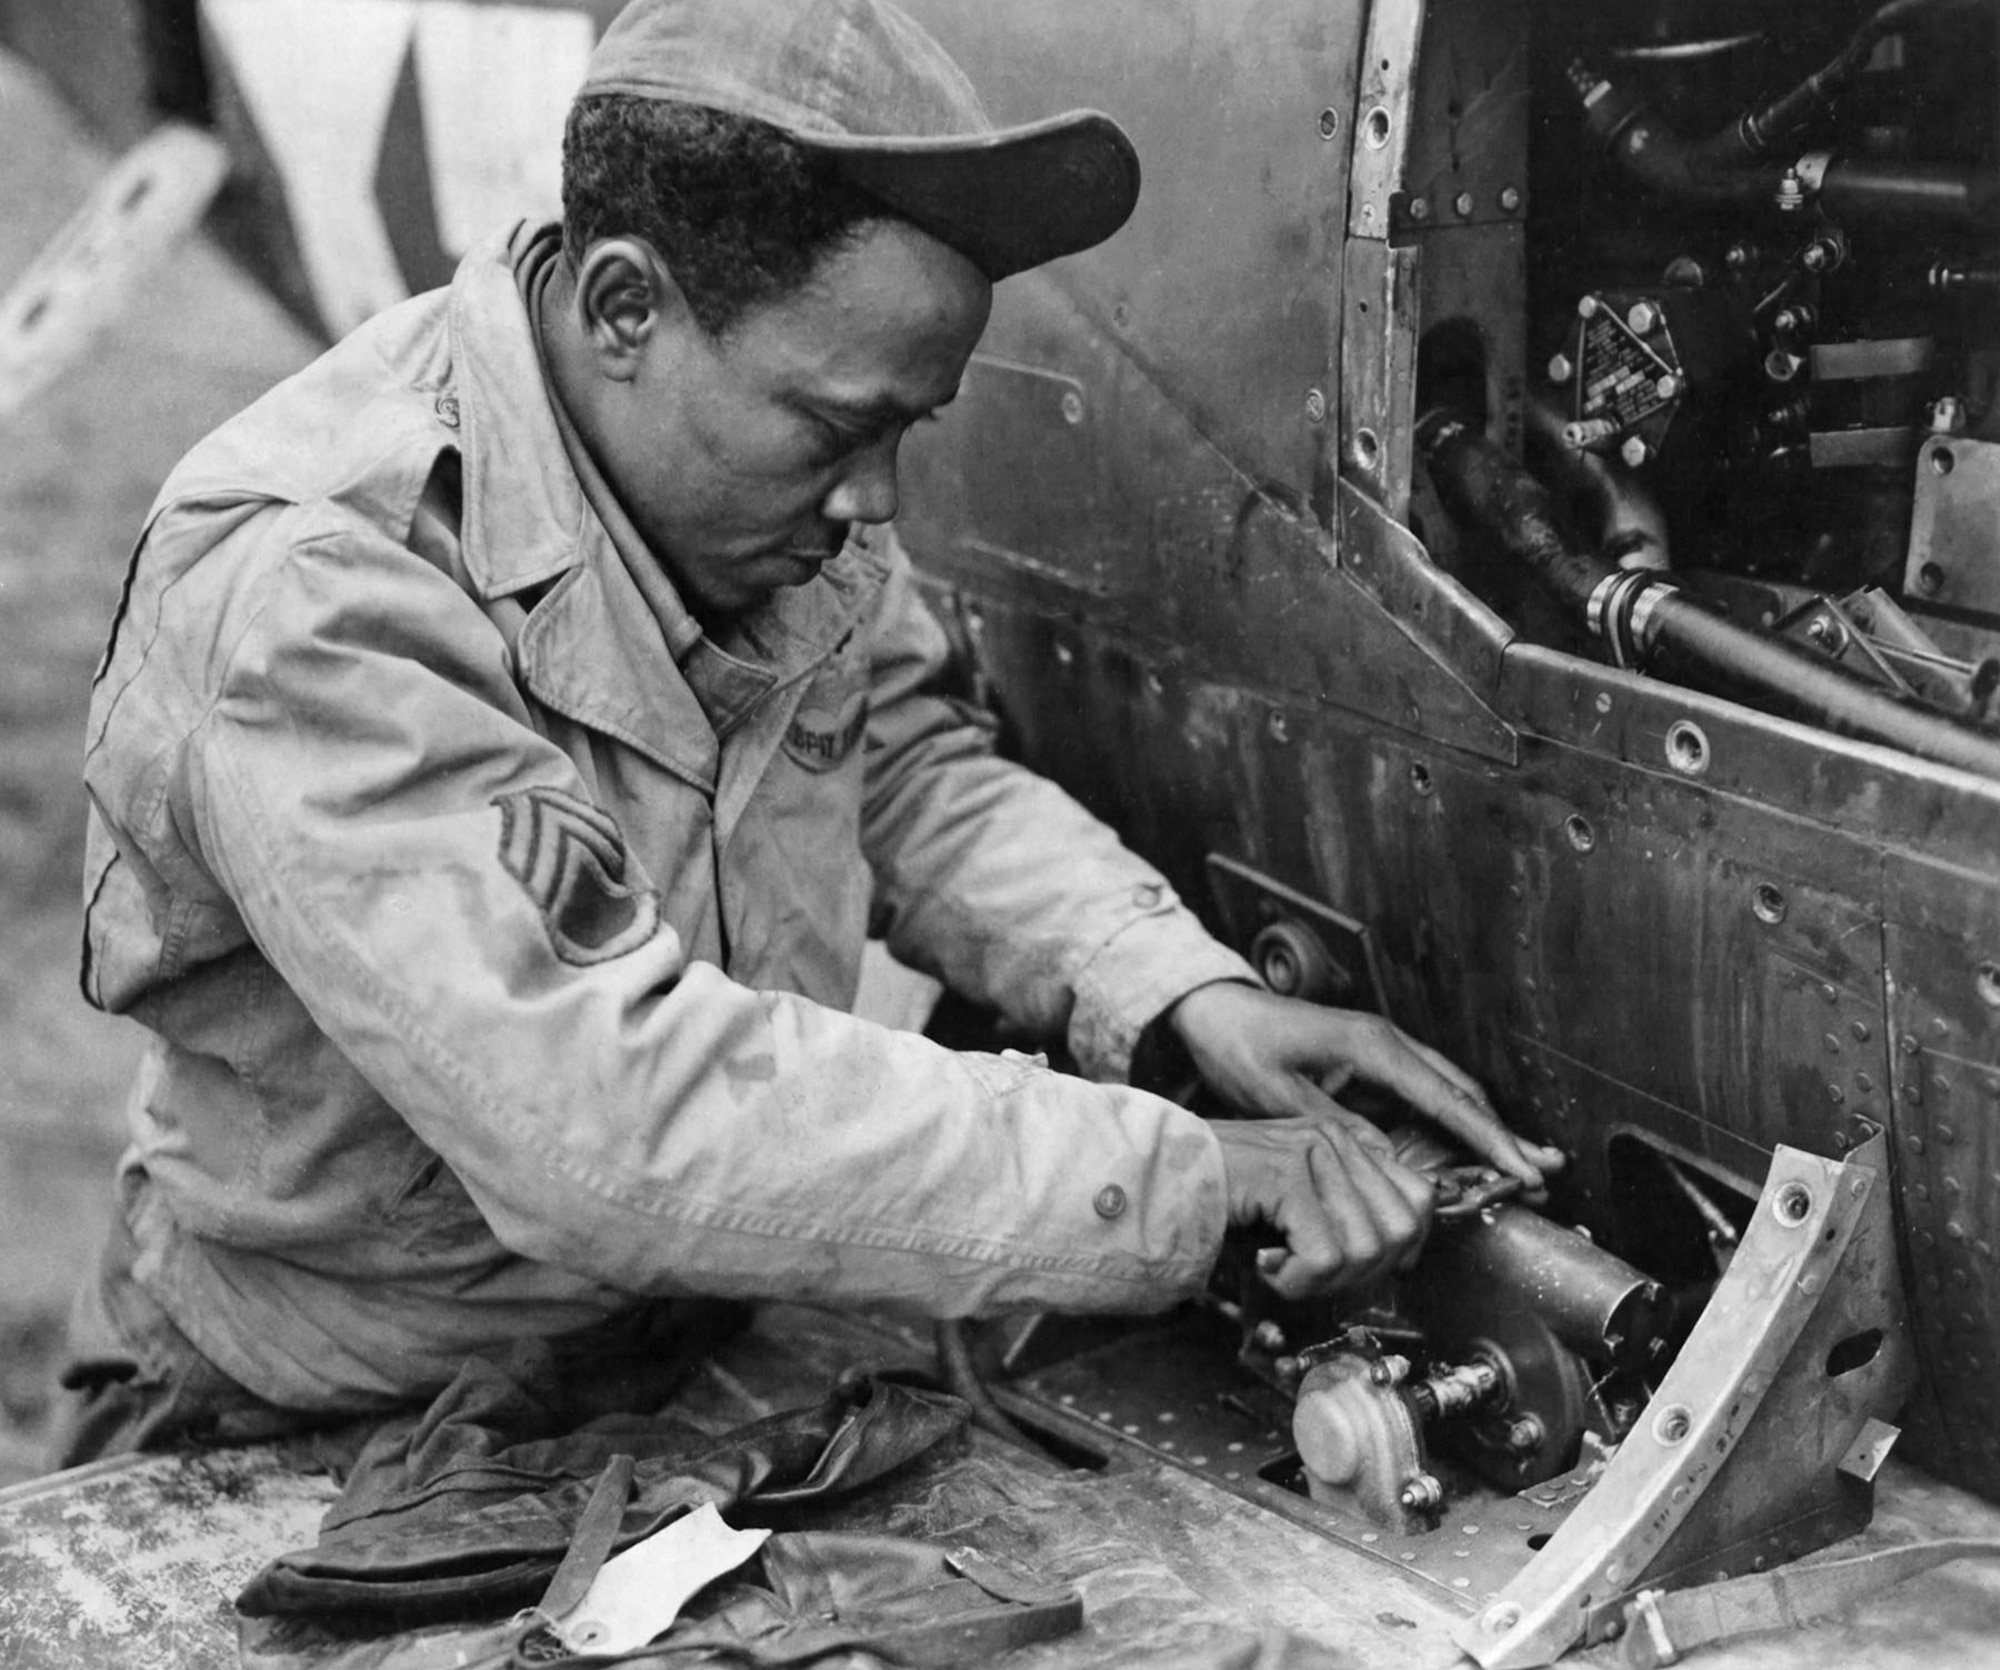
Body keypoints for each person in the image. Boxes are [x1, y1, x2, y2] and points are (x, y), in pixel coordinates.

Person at [56, 0, 1560, 1464]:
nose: (879, 505)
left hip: (696, 1344)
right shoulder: (316, 584)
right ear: (626, 307)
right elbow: (608, 1119)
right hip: (304, 1415)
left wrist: (1170, 990)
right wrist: (1191, 1174)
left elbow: (895, 761)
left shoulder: (763, 488)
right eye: (843, 430)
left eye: (909, 431)